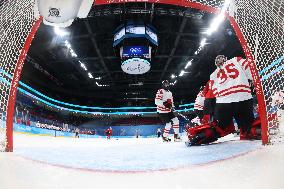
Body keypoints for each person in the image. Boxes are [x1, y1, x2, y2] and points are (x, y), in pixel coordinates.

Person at [210, 55, 255, 140]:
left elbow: (214, 90)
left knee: (220, 127)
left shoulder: (213, 74)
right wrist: (253, 79)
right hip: (243, 97)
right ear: (225, 59)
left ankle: (209, 135)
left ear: (217, 64)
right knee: (248, 126)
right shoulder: (236, 60)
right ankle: (246, 131)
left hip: (223, 102)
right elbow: (248, 68)